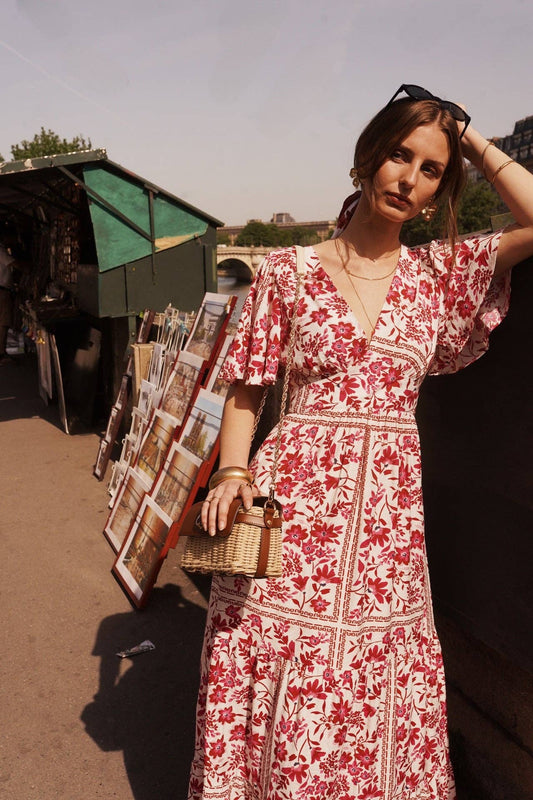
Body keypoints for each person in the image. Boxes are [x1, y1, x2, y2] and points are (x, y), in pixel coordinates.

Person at [188, 85, 533, 800]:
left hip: (383, 537)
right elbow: (248, 387)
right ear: (368, 159)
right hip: (292, 516)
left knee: (366, 695)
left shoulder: (437, 277)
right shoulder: (285, 272)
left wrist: (469, 139)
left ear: (441, 189)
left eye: (430, 169)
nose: (408, 178)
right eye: (398, 155)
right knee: (286, 676)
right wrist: (228, 473)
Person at [0, 241, 15, 364]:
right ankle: (1, 354)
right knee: (3, 323)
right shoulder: (1, 250)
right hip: (2, 291)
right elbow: (12, 263)